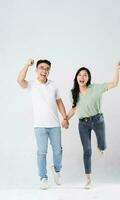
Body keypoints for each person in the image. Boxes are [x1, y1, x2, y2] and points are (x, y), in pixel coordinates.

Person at [66, 60, 120, 189]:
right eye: (80, 75)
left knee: (102, 145)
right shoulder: (73, 93)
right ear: (76, 77)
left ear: (88, 78)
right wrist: (66, 119)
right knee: (87, 150)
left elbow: (114, 84)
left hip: (98, 121)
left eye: (85, 75)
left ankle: (101, 147)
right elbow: (74, 109)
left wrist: (117, 69)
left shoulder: (96, 88)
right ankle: (88, 178)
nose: (82, 77)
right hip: (83, 124)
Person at [17, 58, 69, 189]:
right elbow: (19, 80)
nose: (44, 71)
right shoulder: (32, 85)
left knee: (58, 151)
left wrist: (65, 118)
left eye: (47, 69)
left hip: (55, 125)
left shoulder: (53, 85)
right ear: (37, 70)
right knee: (42, 152)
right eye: (41, 68)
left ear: (49, 71)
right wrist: (27, 65)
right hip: (39, 125)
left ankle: (57, 171)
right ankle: (43, 178)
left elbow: (59, 102)